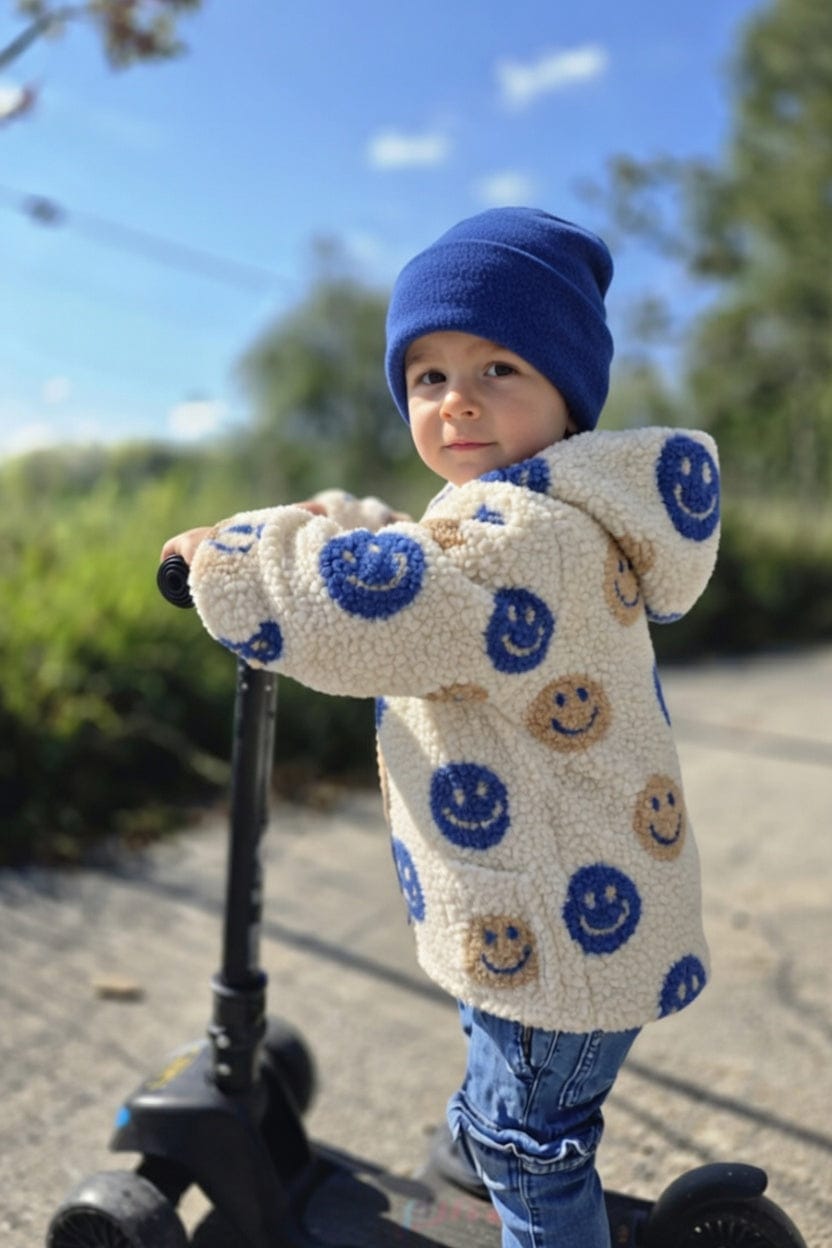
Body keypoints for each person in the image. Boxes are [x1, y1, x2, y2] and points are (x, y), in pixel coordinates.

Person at [161, 207, 720, 1248]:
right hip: (562, 916)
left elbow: (392, 606)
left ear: (567, 399)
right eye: (428, 377)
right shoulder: (532, 508)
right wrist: (327, 521)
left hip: (562, 938)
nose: (457, 401)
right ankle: (486, 1151)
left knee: (528, 1147)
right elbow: (411, 545)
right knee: (505, 1087)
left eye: (498, 369)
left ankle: (526, 1201)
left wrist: (235, 562)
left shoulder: (531, 540)